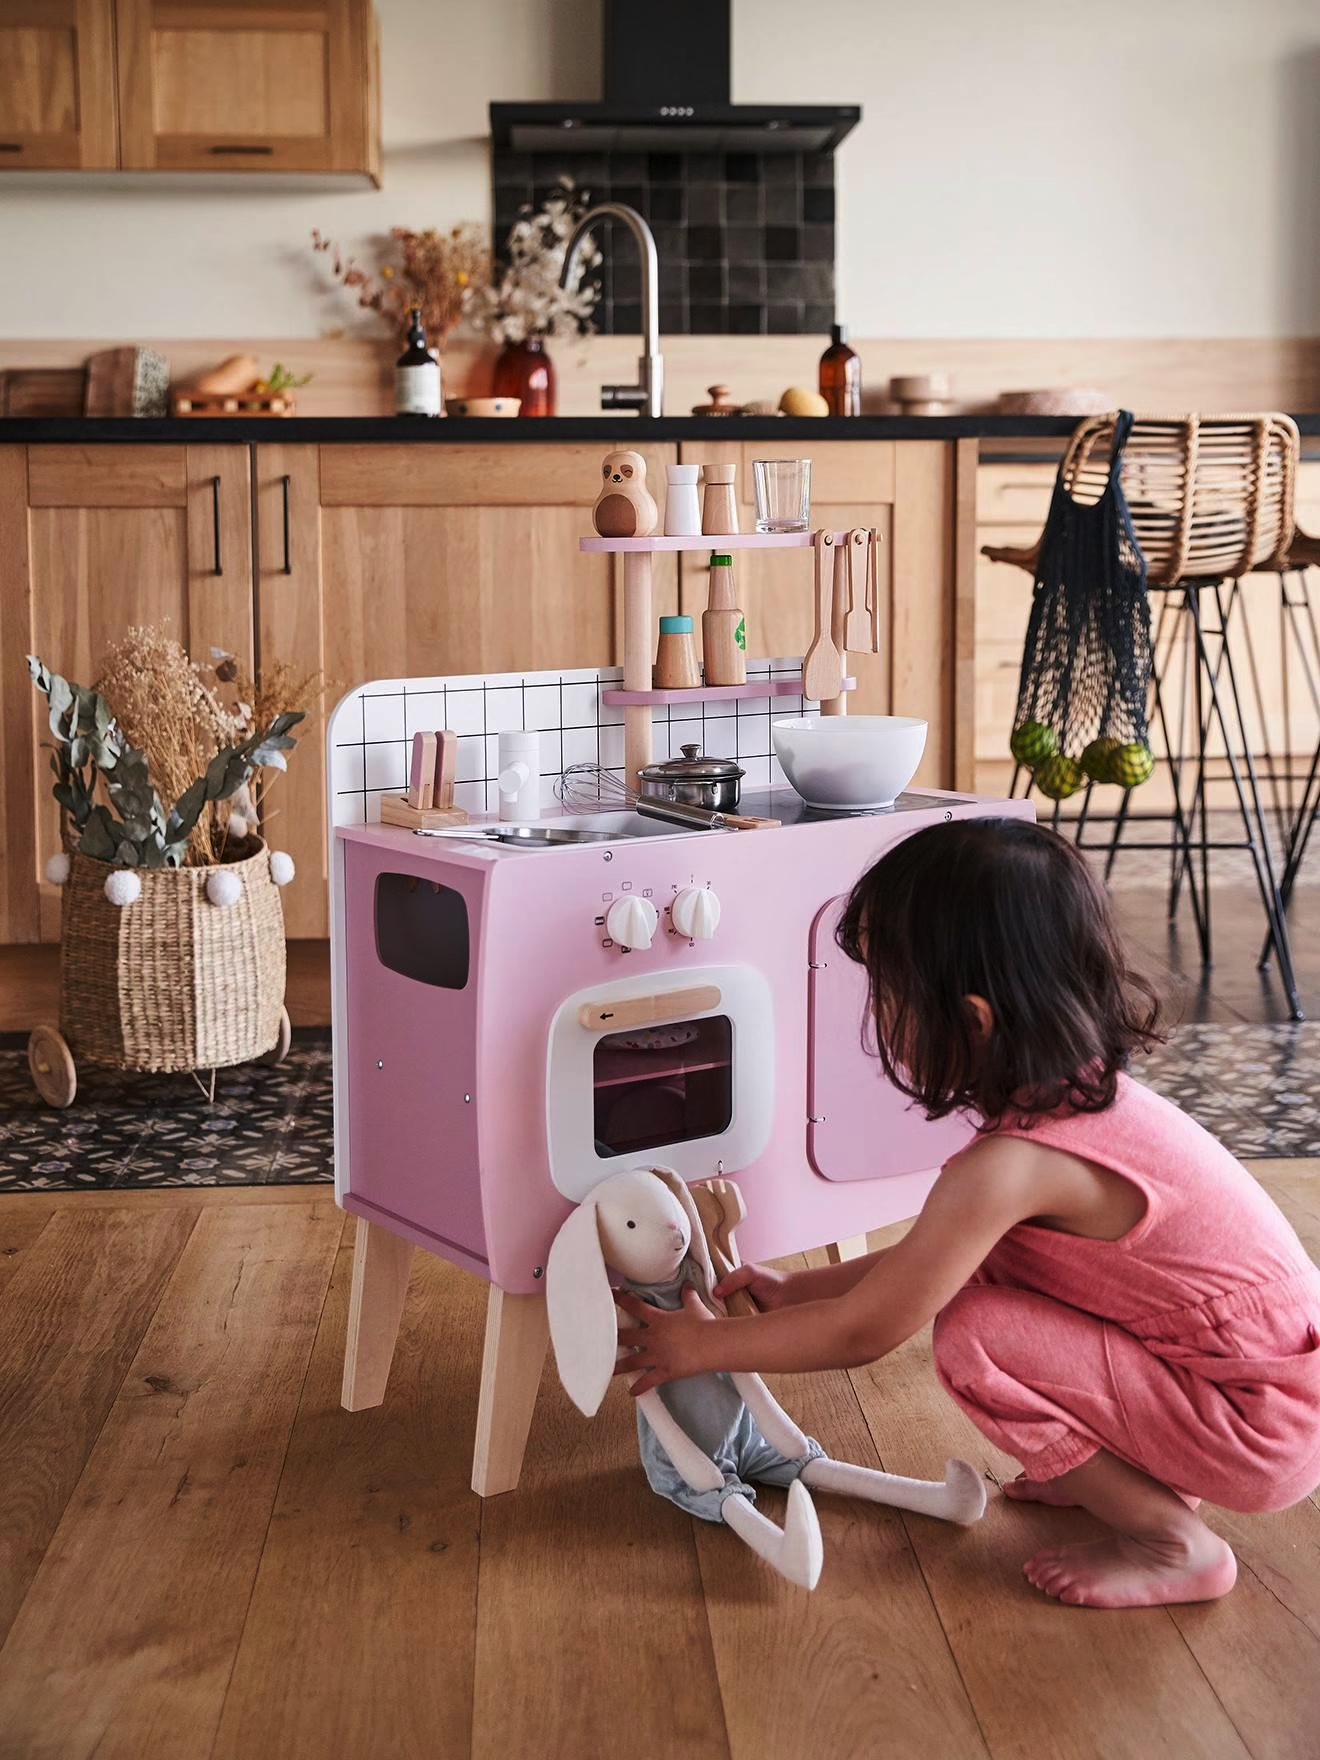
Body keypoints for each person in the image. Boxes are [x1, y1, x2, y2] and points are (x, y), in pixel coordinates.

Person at [615, 819, 1320, 1609]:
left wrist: (704, 1346)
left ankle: (1173, 1541)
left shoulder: (1010, 1169)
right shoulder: (1086, 1106)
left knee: (977, 1338)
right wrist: (799, 1291)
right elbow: (933, 1258)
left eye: (887, 994)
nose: (879, 1015)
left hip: (1254, 1428)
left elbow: (868, 1331)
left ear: (973, 1021)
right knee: (995, 1290)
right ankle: (1117, 1475)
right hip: (1266, 1395)